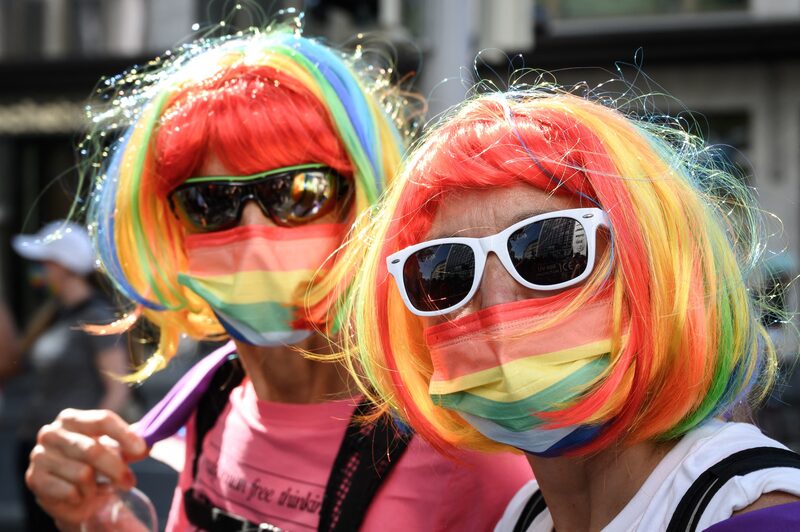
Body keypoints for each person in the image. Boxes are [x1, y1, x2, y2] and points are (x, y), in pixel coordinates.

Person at [25, 28, 531, 531]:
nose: (254, 234)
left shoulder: (467, 449)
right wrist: (94, 518)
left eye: (299, 192)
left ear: (367, 197)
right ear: (167, 228)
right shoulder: (211, 402)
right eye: (210, 203)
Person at [339, 85, 800, 530]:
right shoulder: (524, 517)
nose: (495, 310)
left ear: (654, 271)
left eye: (548, 250)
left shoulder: (756, 514)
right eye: (446, 271)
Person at [9, 221, 129, 531]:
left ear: (63, 266)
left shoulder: (97, 317)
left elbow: (117, 391)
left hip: (68, 459)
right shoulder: (56, 313)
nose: (38, 271)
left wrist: (88, 451)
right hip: (38, 449)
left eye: (44, 263)